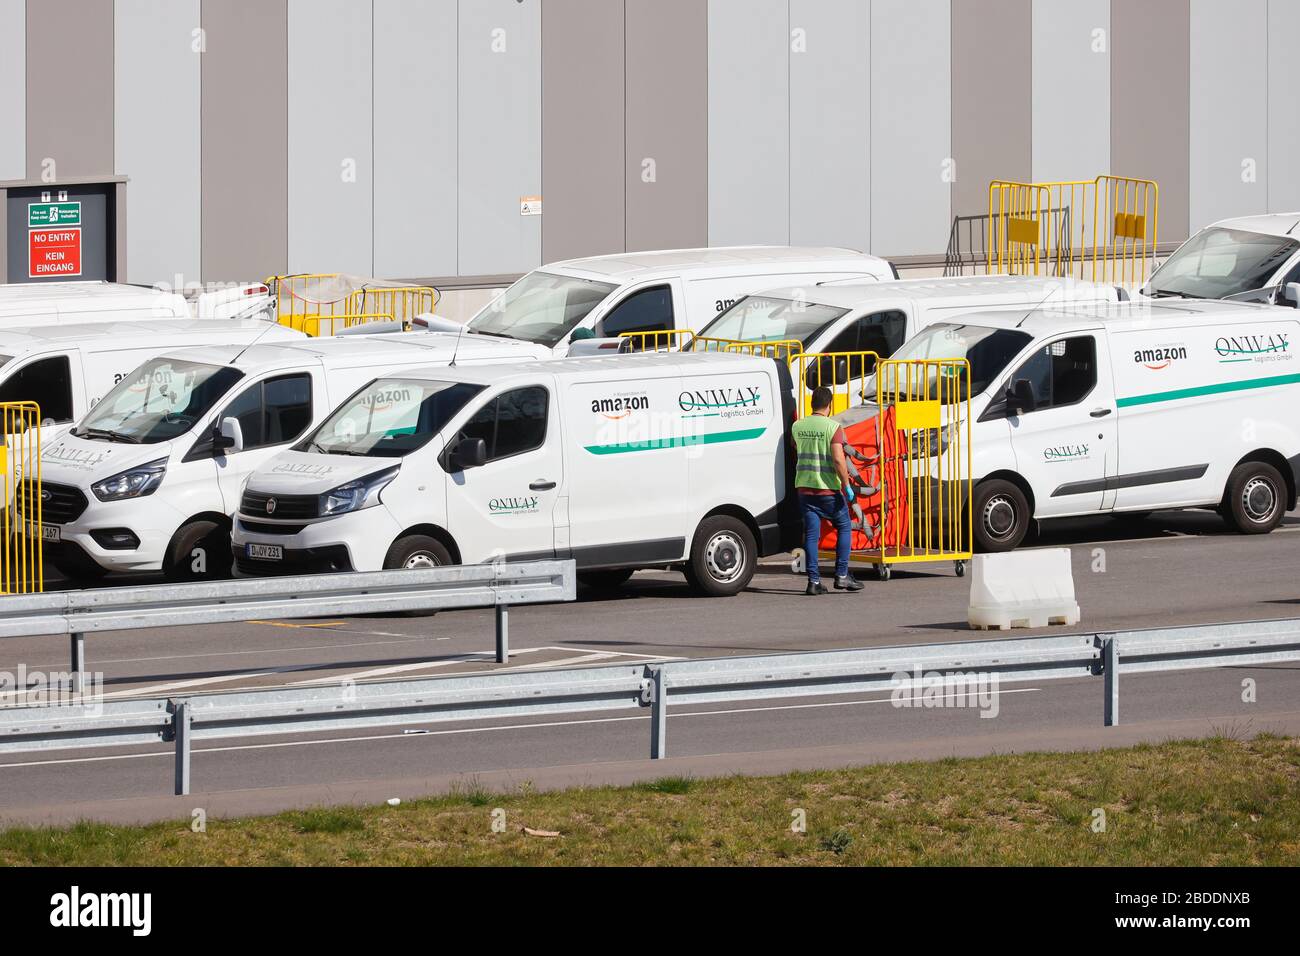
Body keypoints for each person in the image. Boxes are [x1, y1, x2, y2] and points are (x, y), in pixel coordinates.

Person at [791, 386, 862, 595]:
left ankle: (813, 581)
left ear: (812, 403)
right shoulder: (833, 427)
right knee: (844, 525)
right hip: (827, 489)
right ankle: (841, 576)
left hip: (804, 488)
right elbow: (839, 459)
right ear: (829, 405)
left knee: (812, 535)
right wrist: (847, 486)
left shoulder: (798, 426)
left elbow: (795, 448)